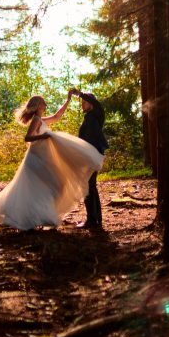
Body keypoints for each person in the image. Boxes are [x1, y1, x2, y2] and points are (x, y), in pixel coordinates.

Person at [0, 92, 104, 231]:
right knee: (47, 186)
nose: (46, 105)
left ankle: (44, 215)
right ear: (37, 106)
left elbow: (57, 116)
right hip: (36, 157)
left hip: (43, 157)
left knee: (52, 186)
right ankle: (34, 216)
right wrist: (44, 136)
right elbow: (28, 138)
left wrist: (68, 100)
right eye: (43, 103)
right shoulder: (36, 120)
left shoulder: (41, 120)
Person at [71, 88, 108, 230]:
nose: (82, 104)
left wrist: (79, 94)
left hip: (93, 155)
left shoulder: (96, 115)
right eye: (82, 102)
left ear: (92, 104)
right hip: (88, 155)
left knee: (88, 186)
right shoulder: (88, 118)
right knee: (90, 186)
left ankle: (92, 220)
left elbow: (96, 103)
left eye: (85, 102)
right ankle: (95, 219)